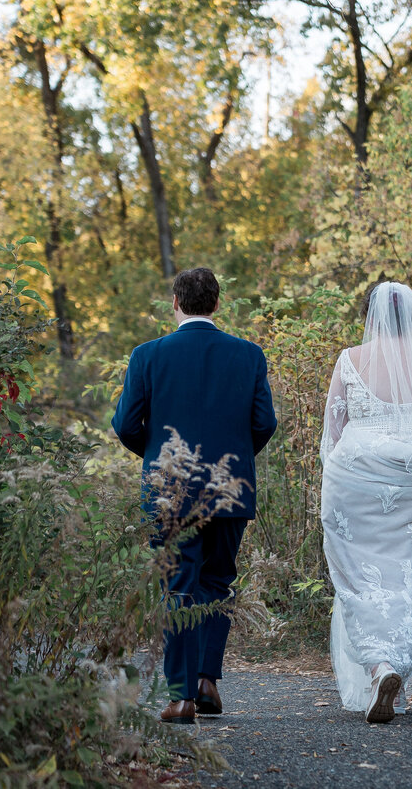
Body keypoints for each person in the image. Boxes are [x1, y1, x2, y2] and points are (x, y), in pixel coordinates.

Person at [112, 267, 277, 724]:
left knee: (176, 587)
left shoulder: (147, 356)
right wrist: (234, 461)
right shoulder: (248, 355)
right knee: (216, 584)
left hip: (169, 491)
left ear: (175, 302)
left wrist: (159, 458)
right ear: (217, 304)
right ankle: (207, 682)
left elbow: (126, 425)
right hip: (231, 488)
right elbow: (264, 424)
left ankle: (182, 695)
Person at [319, 281, 412, 723]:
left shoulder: (350, 359)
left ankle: (378, 666)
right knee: (410, 577)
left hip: (355, 480)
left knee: (360, 579)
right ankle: (393, 668)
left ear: (368, 316)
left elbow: (333, 435)